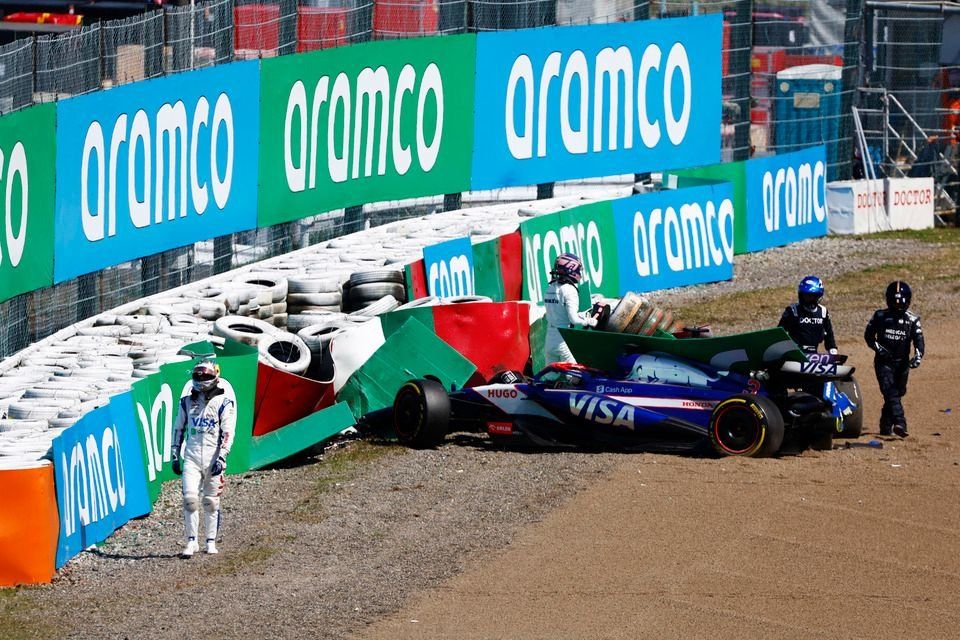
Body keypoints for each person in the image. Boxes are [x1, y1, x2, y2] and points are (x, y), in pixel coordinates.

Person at [170, 360, 236, 557]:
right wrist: (174, 454)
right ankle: (191, 542)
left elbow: (228, 432)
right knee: (190, 500)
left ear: (215, 376)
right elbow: (178, 428)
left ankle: (210, 541)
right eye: (198, 376)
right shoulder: (186, 402)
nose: (201, 380)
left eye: (205, 376)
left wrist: (222, 457)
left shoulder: (224, 402)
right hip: (191, 456)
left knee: (210, 501)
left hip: (213, 456)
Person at [864, 281, 924, 438]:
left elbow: (919, 340)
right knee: (890, 392)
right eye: (894, 302)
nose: (898, 306)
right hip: (884, 363)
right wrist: (879, 349)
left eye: (901, 303)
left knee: (898, 392)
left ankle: (885, 424)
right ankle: (900, 422)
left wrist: (918, 356)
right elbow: (869, 336)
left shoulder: (913, 320)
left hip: (902, 364)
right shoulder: (880, 316)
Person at [543, 253, 598, 364]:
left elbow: (558, 313)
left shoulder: (550, 288)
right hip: (564, 340)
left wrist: (580, 314)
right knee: (573, 377)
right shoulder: (569, 289)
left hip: (549, 339)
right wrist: (589, 321)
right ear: (571, 269)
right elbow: (573, 320)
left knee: (549, 377)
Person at [778, 276, 838, 354]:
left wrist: (833, 351)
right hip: (794, 355)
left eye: (812, 296)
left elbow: (829, 334)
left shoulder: (823, 312)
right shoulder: (792, 311)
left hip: (813, 355)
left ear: (818, 296)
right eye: (806, 295)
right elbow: (780, 332)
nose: (809, 298)